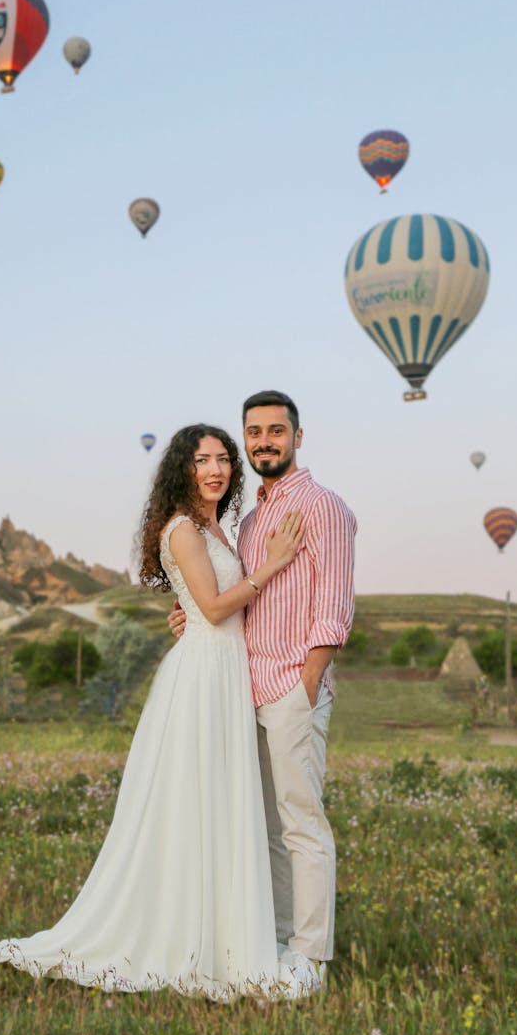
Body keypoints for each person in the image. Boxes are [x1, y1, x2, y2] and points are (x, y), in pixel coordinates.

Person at [0, 424, 307, 1001]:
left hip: (223, 670)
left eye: (223, 459)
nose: (216, 469)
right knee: (193, 802)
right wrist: (273, 563)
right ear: (182, 468)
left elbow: (204, 607)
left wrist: (200, 607)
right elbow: (210, 605)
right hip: (203, 678)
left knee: (221, 801)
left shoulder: (213, 528)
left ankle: (224, 931)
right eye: (202, 460)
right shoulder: (183, 529)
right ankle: (183, 934)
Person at [170, 391, 357, 994]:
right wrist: (193, 617)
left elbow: (333, 608)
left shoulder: (323, 507)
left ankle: (310, 955)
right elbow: (236, 600)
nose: (264, 442)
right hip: (244, 687)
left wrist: (307, 684)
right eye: (254, 433)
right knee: (267, 825)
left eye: (277, 431)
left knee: (301, 821)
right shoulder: (248, 521)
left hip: (290, 688)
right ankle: (278, 938)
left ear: (298, 437)